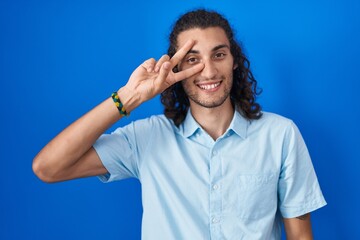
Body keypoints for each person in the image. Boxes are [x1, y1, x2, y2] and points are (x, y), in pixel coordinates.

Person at [33, 9, 326, 240]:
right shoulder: (145, 138)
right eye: (192, 59)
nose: (208, 71)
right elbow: (48, 167)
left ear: (234, 61)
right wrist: (129, 97)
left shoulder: (281, 135)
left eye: (219, 55)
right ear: (174, 69)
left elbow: (300, 235)